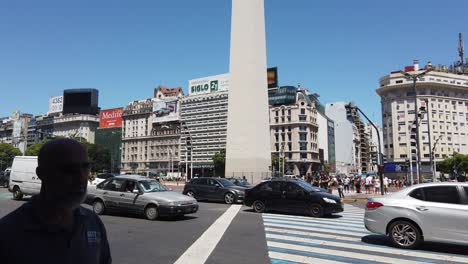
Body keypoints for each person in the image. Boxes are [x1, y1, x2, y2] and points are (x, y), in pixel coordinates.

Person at [0, 138, 112, 264]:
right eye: (69, 170)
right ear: (42, 174)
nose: (81, 178)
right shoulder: (8, 232)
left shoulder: (93, 222)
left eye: (85, 168)